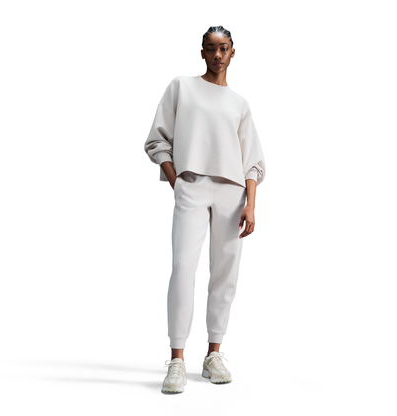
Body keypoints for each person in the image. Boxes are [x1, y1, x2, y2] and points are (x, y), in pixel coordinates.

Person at [144, 25, 266, 394]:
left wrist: (251, 205)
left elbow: (252, 161)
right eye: (211, 48)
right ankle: (177, 360)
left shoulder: (239, 103)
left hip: (232, 193)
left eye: (223, 48)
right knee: (183, 267)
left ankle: (213, 354)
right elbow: (157, 140)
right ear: (202, 52)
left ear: (233, 52)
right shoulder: (182, 87)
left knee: (225, 273)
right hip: (192, 185)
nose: (217, 54)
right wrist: (177, 180)